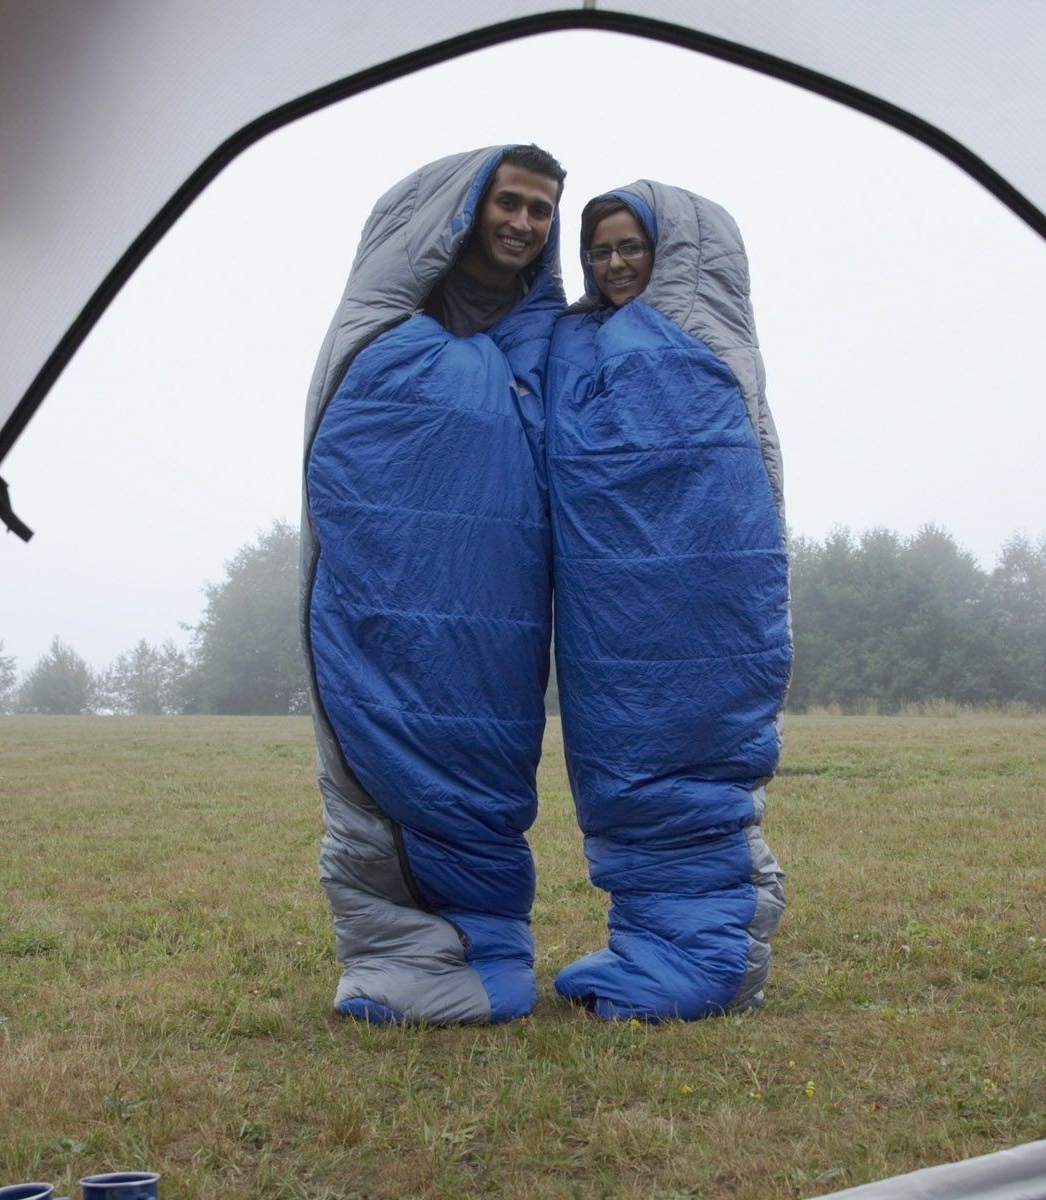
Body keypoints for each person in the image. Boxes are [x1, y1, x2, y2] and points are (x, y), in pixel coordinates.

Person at [301, 145, 565, 1024]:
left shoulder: (542, 342)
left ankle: (485, 947)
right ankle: (409, 952)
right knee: (383, 745)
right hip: (391, 588)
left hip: (497, 600)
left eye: (540, 211)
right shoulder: (380, 329)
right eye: (510, 203)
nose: (524, 224)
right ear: (459, 212)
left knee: (486, 745)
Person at [544, 183, 791, 1021]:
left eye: (631, 248)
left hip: (694, 585)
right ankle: (655, 940)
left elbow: (725, 464)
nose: (614, 266)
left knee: (684, 744)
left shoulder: (701, 339)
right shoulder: (578, 340)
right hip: (606, 593)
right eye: (600, 251)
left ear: (674, 254)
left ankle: (712, 954)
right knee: (618, 755)